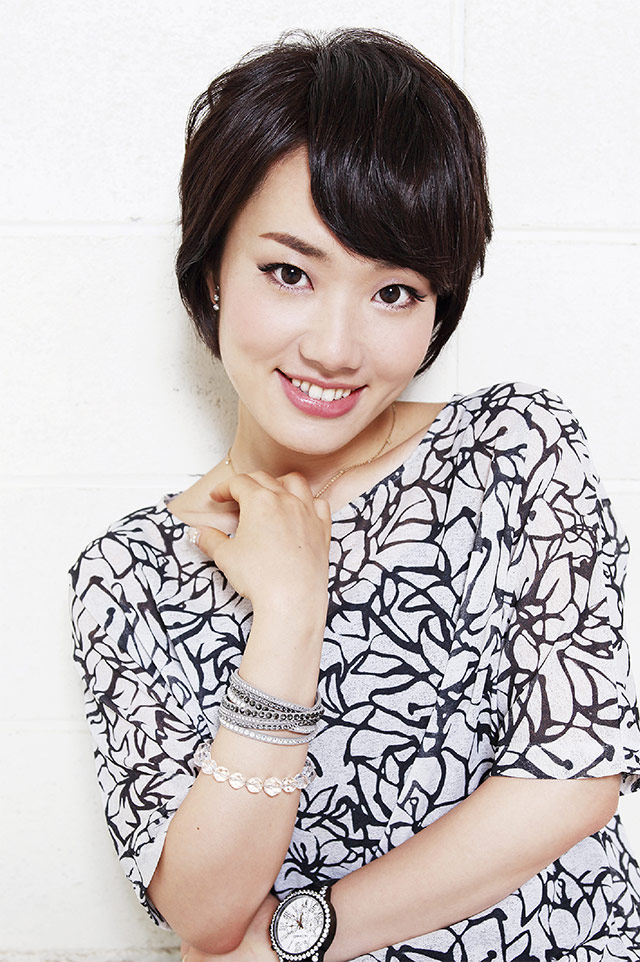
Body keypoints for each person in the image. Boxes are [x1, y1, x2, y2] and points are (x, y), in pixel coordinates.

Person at [70, 28, 640, 962]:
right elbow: (204, 912)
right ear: (213, 272)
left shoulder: (513, 449)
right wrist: (290, 613)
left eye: (394, 292)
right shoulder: (129, 575)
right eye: (290, 273)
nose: (336, 348)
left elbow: (573, 782)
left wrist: (297, 937)